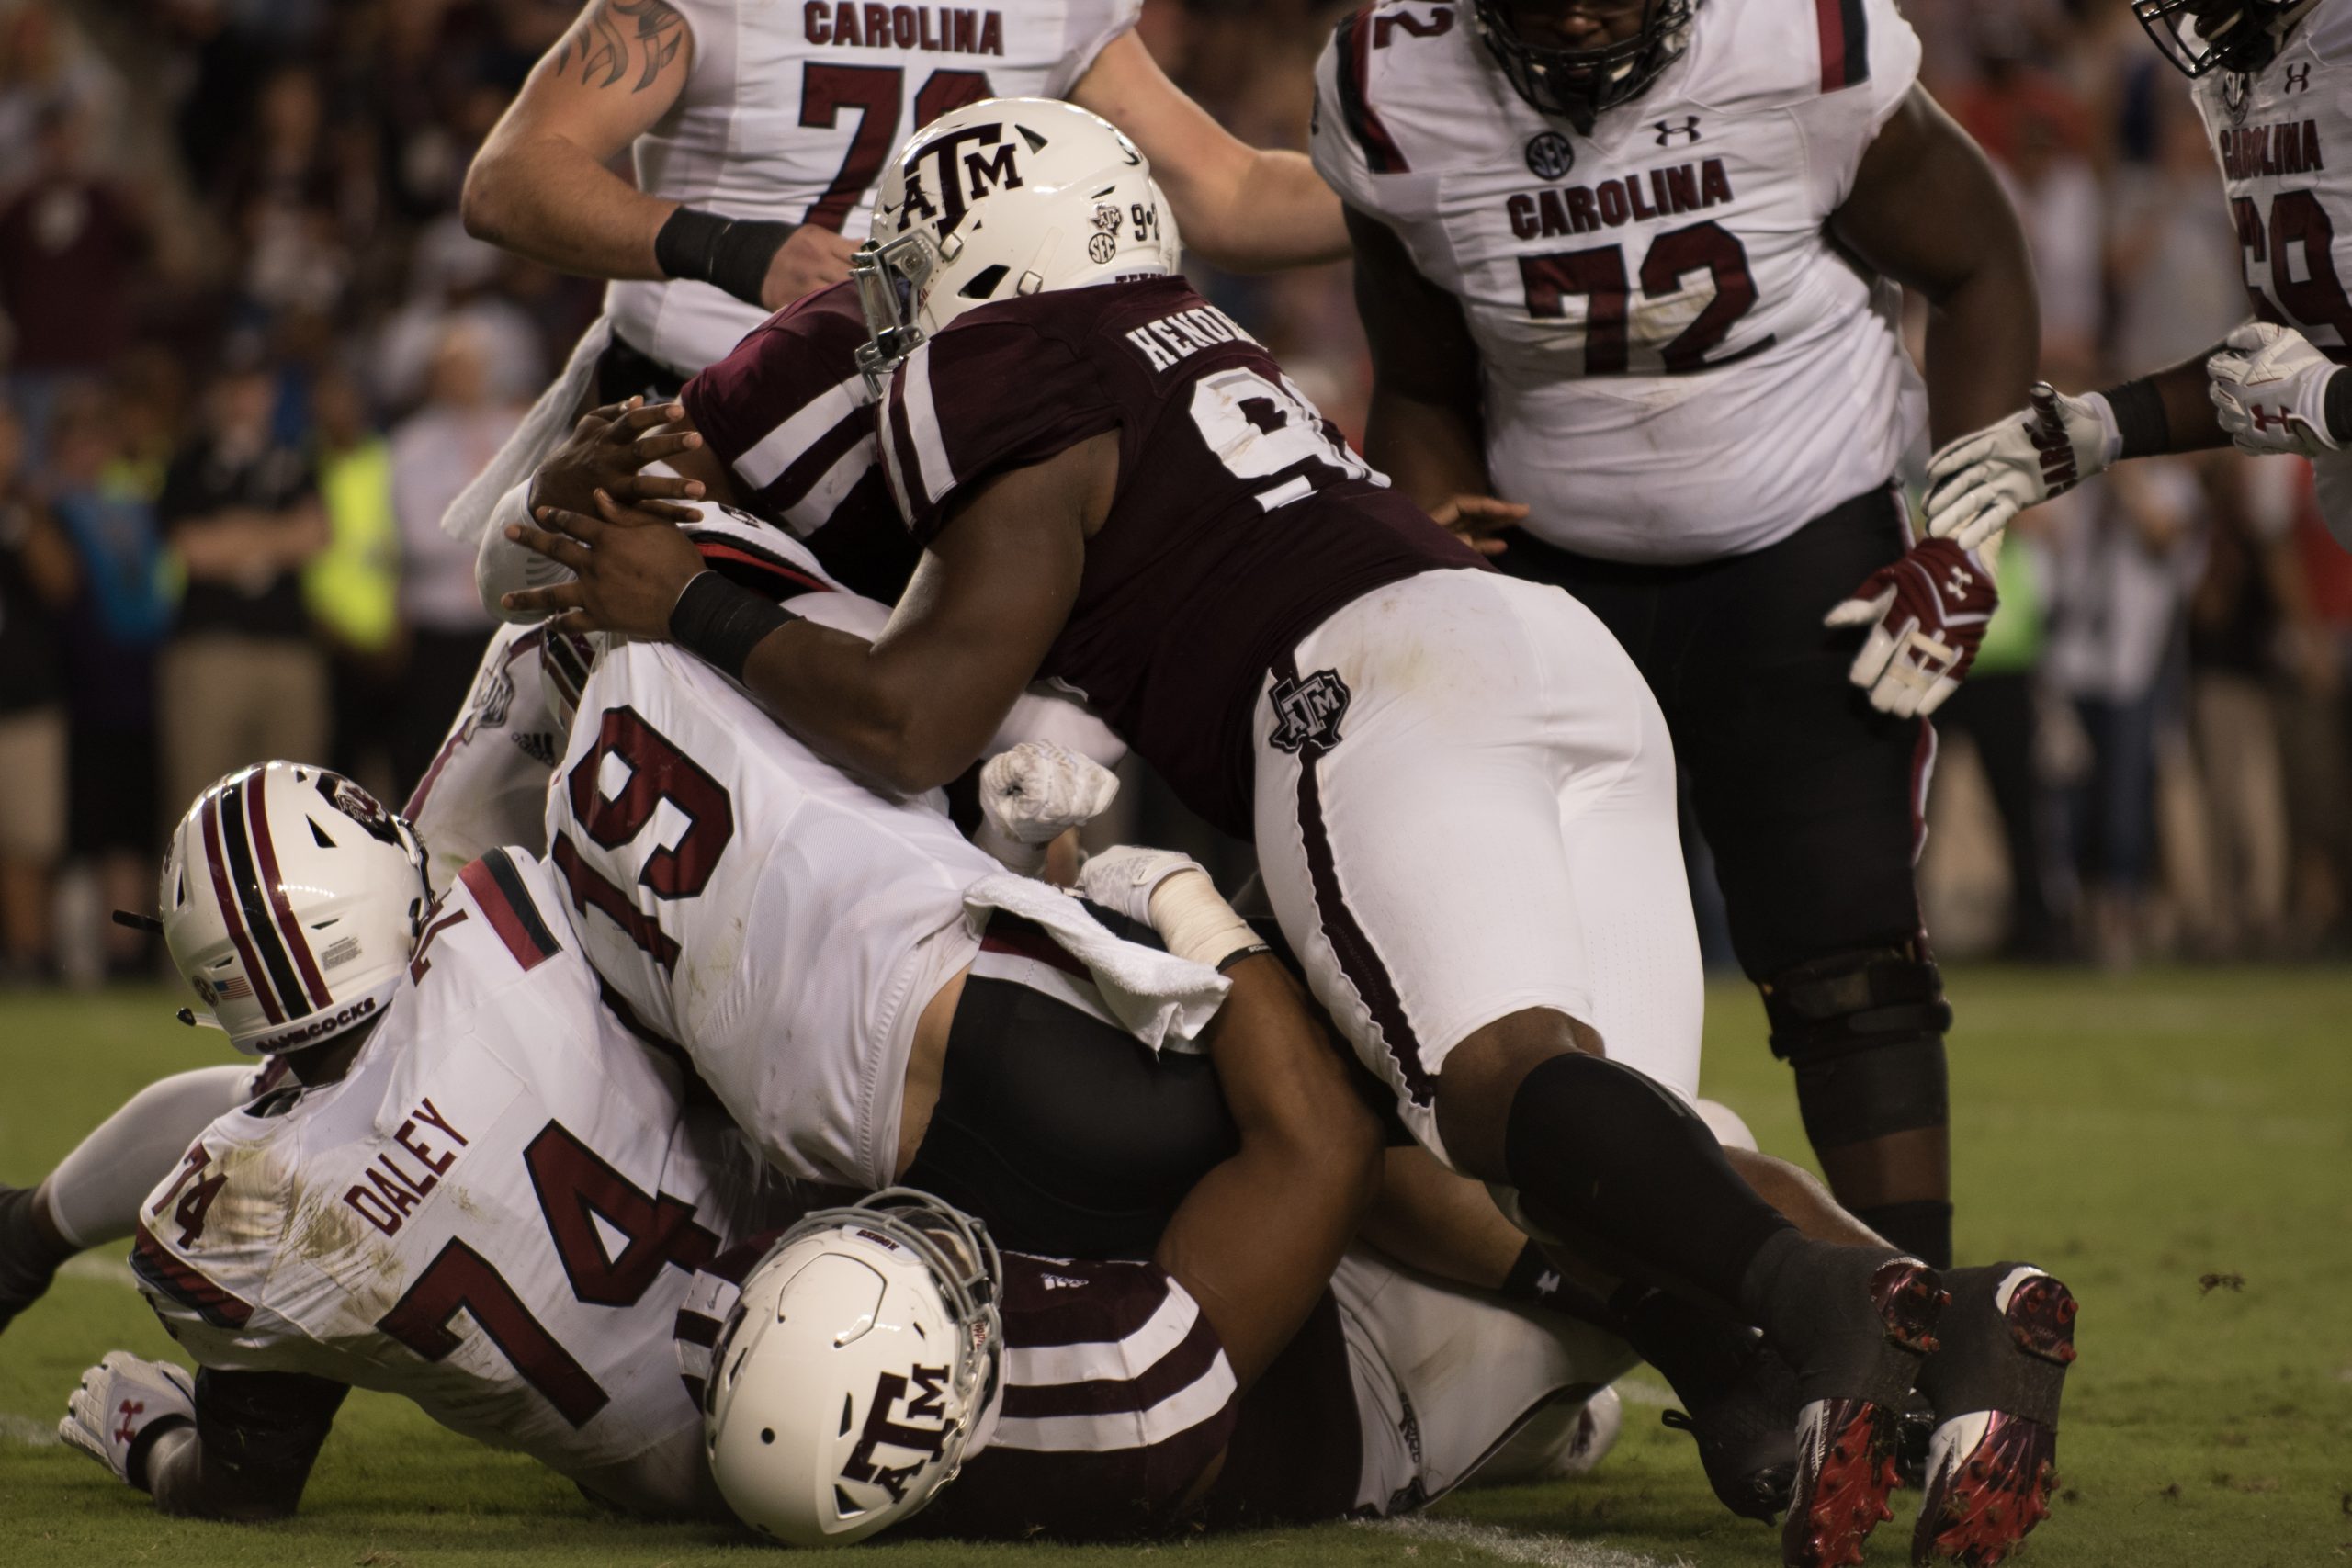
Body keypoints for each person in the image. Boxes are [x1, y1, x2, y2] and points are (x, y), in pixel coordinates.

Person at [500, 98, 2075, 1568]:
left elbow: (918, 711)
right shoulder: (1190, 340)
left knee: (1497, 1095)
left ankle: (1844, 1308)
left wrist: (686, 599)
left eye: (908, 278)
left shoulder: (1009, 367)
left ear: (983, 263)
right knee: (1613, 1151)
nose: (887, 320)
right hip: (1550, 666)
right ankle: (1925, 1341)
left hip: (1358, 693)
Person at [1305, 0, 2044, 1284]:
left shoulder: (1798, 42)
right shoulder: (1391, 80)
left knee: (1845, 954)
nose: (1579, 18)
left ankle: (1920, 1311)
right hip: (1550, 566)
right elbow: (1419, 373)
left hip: (1804, 537)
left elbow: (1979, 265)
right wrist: (1430, 520)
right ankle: (1635, 1298)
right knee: (1529, 967)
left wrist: (1966, 532)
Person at [438, 0, 1350, 551]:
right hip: (692, 421)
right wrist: (739, 250)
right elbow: (510, 178)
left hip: (925, 441)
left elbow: (1226, 194)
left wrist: (1428, 191)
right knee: (561, 787)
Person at [1927, 0, 2352, 555]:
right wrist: (2103, 425)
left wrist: (2332, 399)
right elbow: (2285, 360)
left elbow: (2309, 387)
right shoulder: (2252, 63)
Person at [155, 350, 331, 819]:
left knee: (291, 807)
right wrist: (277, 535)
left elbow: (315, 536)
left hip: (288, 649)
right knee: (200, 806)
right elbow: (193, 550)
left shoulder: (296, 458)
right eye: (232, 385)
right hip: (210, 650)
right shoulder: (188, 462)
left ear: (270, 393)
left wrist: (235, 533)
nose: (242, 398)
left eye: (253, 385)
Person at [0, 400, 78, 979]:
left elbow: (62, 585)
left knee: (27, 844)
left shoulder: (32, 507)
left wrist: (17, 508)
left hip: (23, 701)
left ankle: (29, 963)